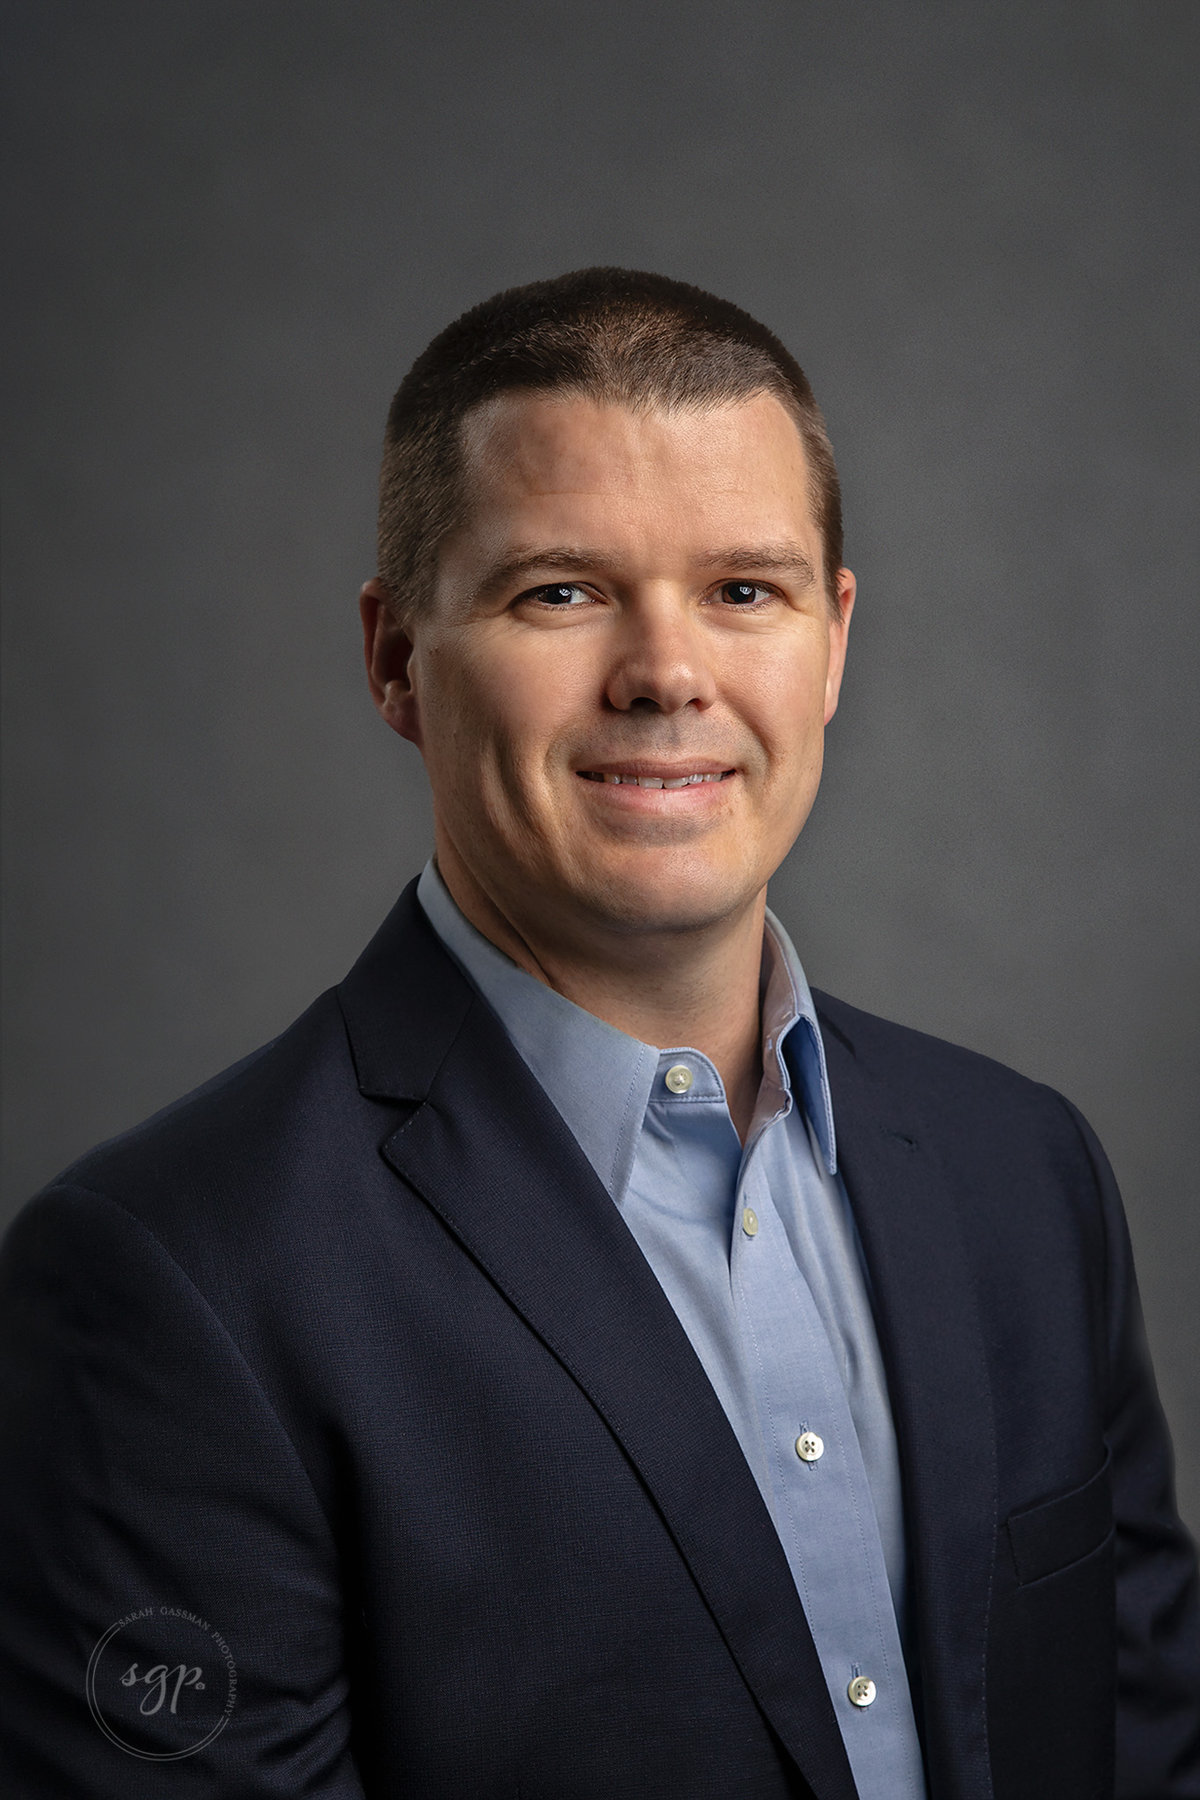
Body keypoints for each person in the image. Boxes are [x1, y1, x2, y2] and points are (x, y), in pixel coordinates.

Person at [1, 268, 1196, 1800]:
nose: (667, 674)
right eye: (558, 590)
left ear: (831, 643)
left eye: (743, 590)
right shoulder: (176, 1280)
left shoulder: (1024, 1173)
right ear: (392, 660)